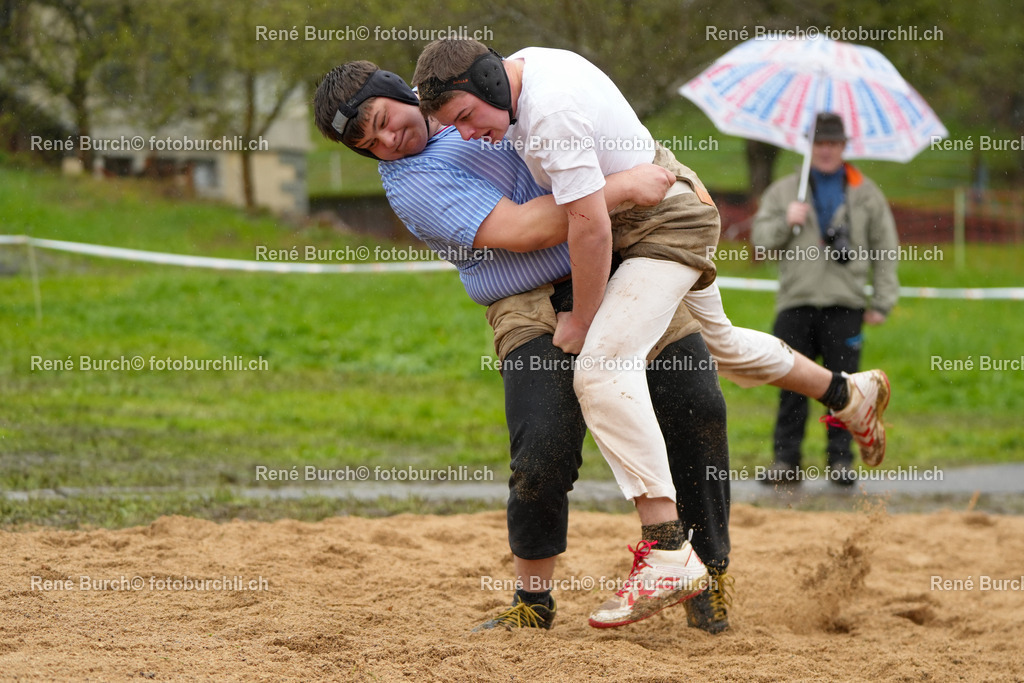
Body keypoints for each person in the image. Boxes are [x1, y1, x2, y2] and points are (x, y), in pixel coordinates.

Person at [412, 40, 890, 621]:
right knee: (726, 346)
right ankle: (847, 392)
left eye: (466, 117)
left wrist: (582, 320)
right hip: (658, 207)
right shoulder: (523, 68)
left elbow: (590, 229)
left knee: (601, 370)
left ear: (490, 81)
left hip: (661, 227)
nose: (465, 134)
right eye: (453, 125)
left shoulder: (549, 113)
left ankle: (666, 550)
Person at [313, 61, 733, 632]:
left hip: (611, 262)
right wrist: (621, 188)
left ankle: (708, 574)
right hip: (526, 299)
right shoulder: (409, 181)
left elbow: (579, 126)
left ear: (398, 93)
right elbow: (524, 230)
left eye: (384, 121)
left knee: (697, 407)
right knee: (543, 445)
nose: (387, 143)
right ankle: (532, 602)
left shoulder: (470, 91)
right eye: (368, 145)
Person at [751, 112, 898, 485]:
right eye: (819, 143)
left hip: (845, 304)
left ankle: (840, 461)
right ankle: (786, 461)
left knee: (845, 387)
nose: (826, 150)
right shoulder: (785, 191)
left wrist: (882, 301)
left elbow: (886, 248)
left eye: (833, 143)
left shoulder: (866, 193)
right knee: (791, 384)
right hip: (795, 303)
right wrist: (787, 221)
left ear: (844, 146)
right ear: (808, 146)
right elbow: (761, 242)